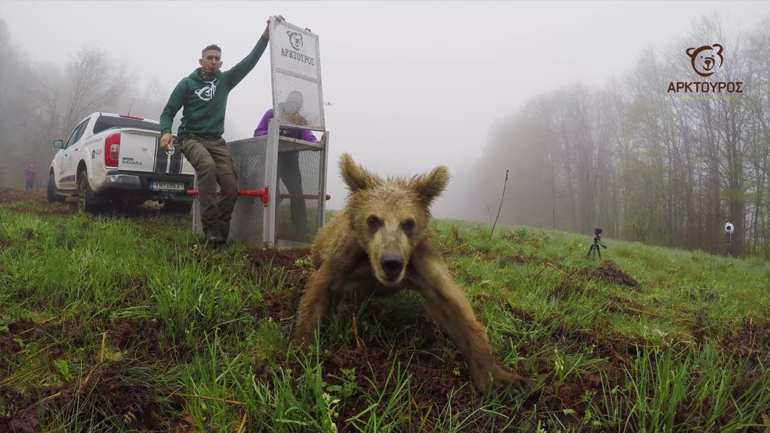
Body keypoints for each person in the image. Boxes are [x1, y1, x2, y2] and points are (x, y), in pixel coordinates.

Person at [159, 14, 284, 248]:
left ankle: (220, 234)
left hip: (216, 142)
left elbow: (249, 62)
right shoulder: (187, 84)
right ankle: (209, 230)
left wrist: (265, 36)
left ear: (221, 63)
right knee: (207, 168)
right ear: (201, 61)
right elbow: (168, 111)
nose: (214, 61)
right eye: (210, 58)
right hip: (191, 138)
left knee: (230, 185)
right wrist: (166, 131)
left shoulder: (225, 81)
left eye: (217, 59)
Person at [253, 91, 324, 242]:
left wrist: (316, 144)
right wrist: (273, 133)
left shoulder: (299, 121)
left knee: (297, 194)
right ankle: (261, 230)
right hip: (270, 159)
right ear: (286, 101)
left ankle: (301, 233)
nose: (296, 106)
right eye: (294, 102)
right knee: (268, 192)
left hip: (290, 161)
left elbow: (308, 137)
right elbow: (257, 133)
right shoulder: (272, 113)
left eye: (299, 104)